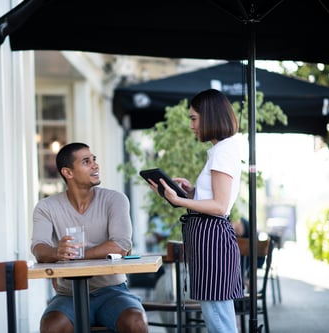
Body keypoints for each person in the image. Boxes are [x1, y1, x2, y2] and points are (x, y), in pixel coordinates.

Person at [145, 89, 243, 333]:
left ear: (209, 117)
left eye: (193, 118)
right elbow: (215, 200)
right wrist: (191, 192)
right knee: (217, 316)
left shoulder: (222, 151)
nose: (191, 126)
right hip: (210, 239)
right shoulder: (221, 150)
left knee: (218, 320)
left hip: (212, 239)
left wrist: (180, 201)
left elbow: (219, 207)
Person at [32, 142, 148, 333]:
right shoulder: (46, 207)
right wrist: (55, 251)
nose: (95, 165)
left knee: (136, 323)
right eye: (86, 161)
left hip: (113, 291)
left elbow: (120, 245)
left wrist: (76, 254)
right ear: (68, 173)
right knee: (51, 326)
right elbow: (39, 248)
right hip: (68, 294)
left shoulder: (115, 200)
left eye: (94, 160)